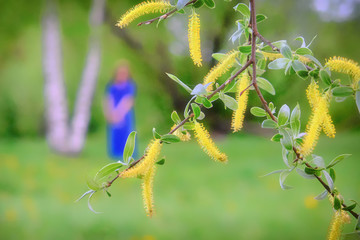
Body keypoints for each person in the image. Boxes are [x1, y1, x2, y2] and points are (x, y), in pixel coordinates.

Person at [104, 62, 136, 161]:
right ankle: (115, 155)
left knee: (126, 136)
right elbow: (108, 100)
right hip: (113, 114)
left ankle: (128, 155)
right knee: (115, 135)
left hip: (125, 115)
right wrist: (110, 113)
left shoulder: (130, 86)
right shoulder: (111, 86)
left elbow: (129, 100)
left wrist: (120, 112)